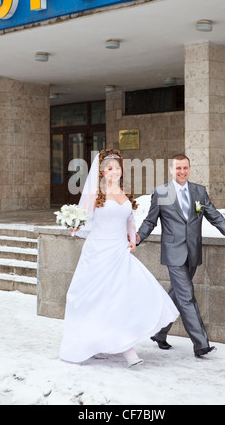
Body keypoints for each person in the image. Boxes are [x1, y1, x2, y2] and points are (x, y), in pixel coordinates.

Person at [59, 149, 179, 367]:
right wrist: (73, 225)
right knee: (99, 300)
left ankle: (105, 344)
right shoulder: (95, 193)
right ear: (102, 171)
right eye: (110, 168)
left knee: (122, 298)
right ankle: (126, 350)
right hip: (98, 253)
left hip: (119, 252)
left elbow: (129, 219)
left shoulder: (124, 192)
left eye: (118, 168)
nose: (115, 171)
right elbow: (82, 218)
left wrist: (133, 239)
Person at [136, 154, 225, 358]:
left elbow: (214, 215)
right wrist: (137, 237)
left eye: (185, 168)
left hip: (192, 251)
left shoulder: (198, 191)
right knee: (186, 297)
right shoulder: (162, 192)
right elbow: (150, 221)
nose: (182, 171)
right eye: (178, 168)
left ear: (189, 169)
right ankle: (201, 343)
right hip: (173, 252)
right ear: (171, 170)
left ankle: (159, 333)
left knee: (176, 294)